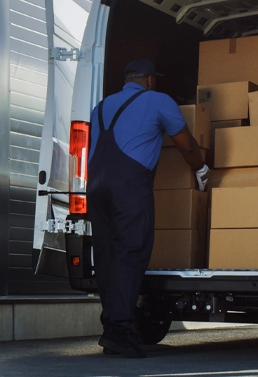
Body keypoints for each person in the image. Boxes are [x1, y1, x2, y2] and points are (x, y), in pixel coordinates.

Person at [87, 59, 207, 358]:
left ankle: (111, 329)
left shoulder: (99, 107)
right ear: (150, 80)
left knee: (107, 256)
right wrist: (202, 170)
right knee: (130, 252)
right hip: (128, 187)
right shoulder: (158, 101)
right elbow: (187, 146)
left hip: (95, 187)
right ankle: (122, 332)